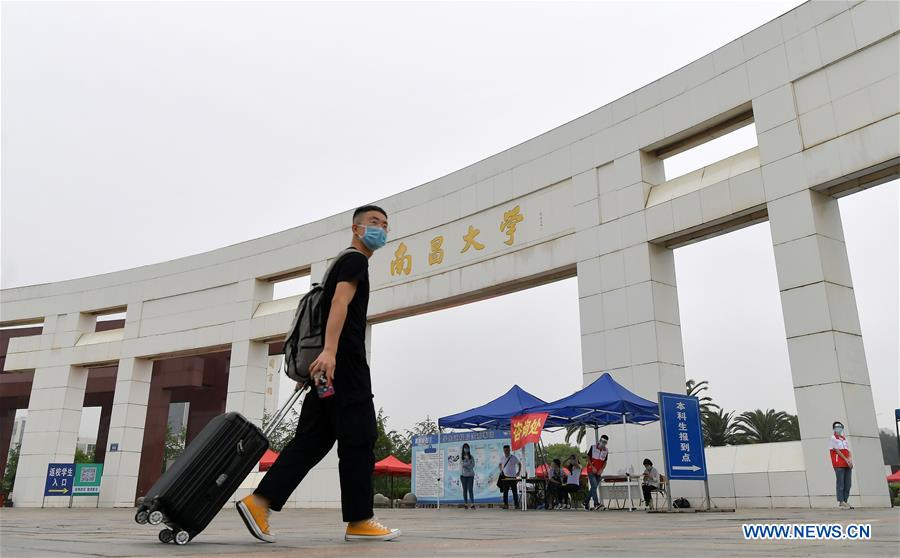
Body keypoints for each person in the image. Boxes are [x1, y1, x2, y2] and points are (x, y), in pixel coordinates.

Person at [237, 206, 400, 542]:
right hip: (344, 367)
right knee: (360, 438)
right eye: (374, 223)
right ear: (356, 228)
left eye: (385, 225)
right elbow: (340, 304)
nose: (381, 229)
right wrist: (328, 352)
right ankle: (359, 520)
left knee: (311, 442)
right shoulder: (355, 260)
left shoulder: (337, 264)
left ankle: (259, 502)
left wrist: (319, 360)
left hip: (327, 371)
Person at [830, 420, 854, 509]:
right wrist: (846, 459)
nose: (838, 428)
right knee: (840, 483)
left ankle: (845, 501)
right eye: (837, 426)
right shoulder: (833, 438)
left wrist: (850, 460)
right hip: (839, 463)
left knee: (848, 483)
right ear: (834, 428)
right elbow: (837, 450)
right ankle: (841, 501)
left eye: (840, 426)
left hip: (847, 463)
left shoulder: (844, 439)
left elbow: (848, 451)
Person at [583, 435, 608, 511]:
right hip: (591, 470)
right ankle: (596, 504)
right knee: (594, 486)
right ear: (600, 440)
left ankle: (585, 502)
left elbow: (605, 462)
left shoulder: (606, 450)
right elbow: (588, 457)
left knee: (593, 488)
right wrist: (592, 467)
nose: (603, 443)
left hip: (598, 472)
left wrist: (602, 470)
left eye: (605, 442)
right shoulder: (593, 447)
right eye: (602, 441)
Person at [498, 445, 522, 509]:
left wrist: (519, 472)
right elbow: (500, 464)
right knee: (505, 492)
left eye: (507, 450)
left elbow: (519, 464)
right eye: (505, 450)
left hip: (513, 477)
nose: (506, 451)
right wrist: (501, 471)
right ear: (503, 450)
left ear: (509, 450)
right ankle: (506, 505)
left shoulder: (513, 457)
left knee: (514, 491)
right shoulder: (502, 458)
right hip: (505, 477)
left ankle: (516, 505)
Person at [460, 443, 476, 510]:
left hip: (471, 475)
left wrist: (467, 464)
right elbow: (462, 465)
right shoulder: (461, 457)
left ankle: (472, 504)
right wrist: (468, 463)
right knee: (465, 490)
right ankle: (466, 504)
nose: (466, 449)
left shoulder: (471, 457)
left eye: (467, 448)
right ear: (463, 449)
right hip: (463, 475)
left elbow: (473, 465)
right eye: (465, 448)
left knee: (470, 489)